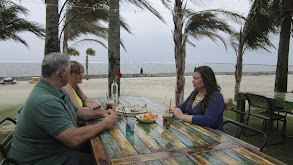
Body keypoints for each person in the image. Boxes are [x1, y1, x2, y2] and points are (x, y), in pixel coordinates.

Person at [9, 53, 117, 165]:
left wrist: (103, 114)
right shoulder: (45, 101)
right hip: (43, 160)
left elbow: (78, 112)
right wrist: (105, 124)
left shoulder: (56, 90)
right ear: (62, 73)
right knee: (104, 161)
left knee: (98, 148)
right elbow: (73, 139)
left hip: (55, 152)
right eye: (69, 70)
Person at [166, 66, 224, 130]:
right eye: (193, 78)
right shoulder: (195, 93)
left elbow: (208, 120)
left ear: (206, 80)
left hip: (213, 136)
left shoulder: (216, 97)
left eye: (196, 78)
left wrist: (182, 116)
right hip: (194, 133)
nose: (192, 81)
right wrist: (173, 110)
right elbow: (183, 107)